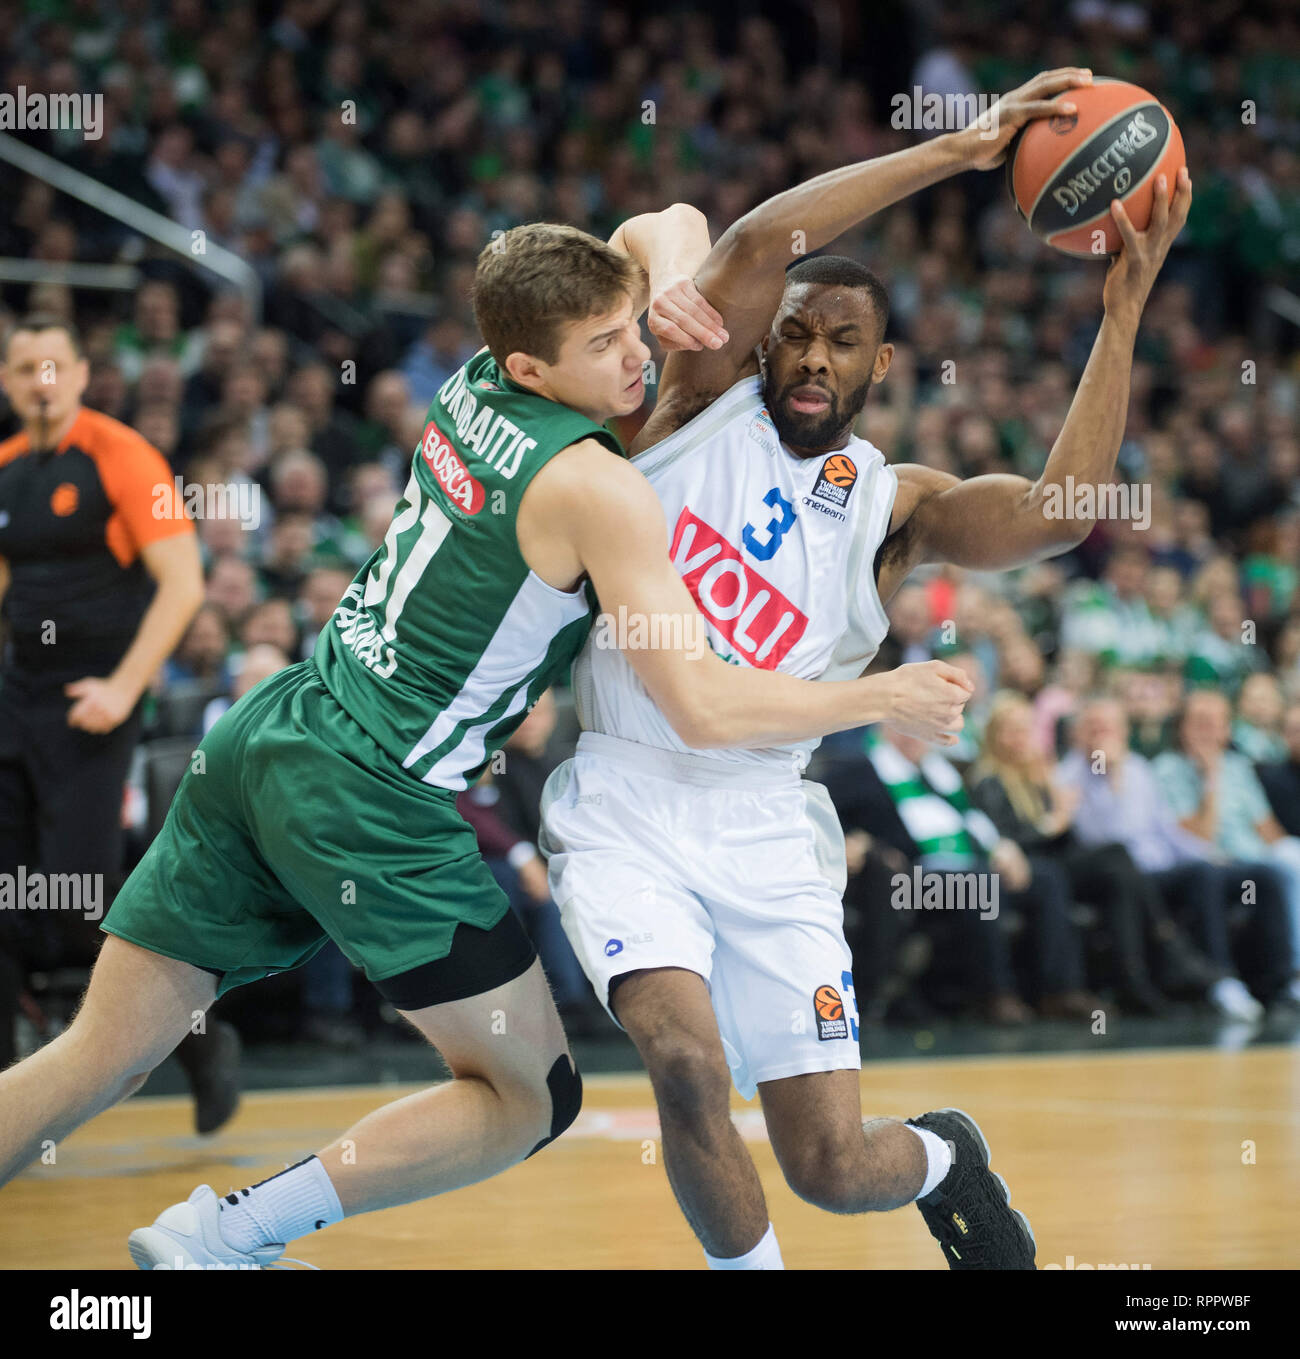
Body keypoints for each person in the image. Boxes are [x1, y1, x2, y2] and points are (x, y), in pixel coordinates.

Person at [0, 210, 953, 1270]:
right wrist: (881, 696)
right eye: (608, 346)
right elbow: (708, 709)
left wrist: (675, 279)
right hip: (373, 794)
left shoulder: (477, 384)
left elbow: (664, 222)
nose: (642, 355)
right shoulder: (597, 487)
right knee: (529, 1094)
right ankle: (229, 1234)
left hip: (276, 726)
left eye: (636, 327)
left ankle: (213, 1239)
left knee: (99, 1053)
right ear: (533, 364)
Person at [543, 67, 1192, 1269]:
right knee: (686, 1068)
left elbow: (1061, 511)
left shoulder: (892, 507)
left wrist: (1119, 314)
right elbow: (752, 239)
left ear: (880, 367)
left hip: (767, 823)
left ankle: (948, 1154)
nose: (809, 357)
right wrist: (960, 151)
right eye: (794, 332)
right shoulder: (695, 396)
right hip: (626, 795)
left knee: (834, 1170)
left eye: (842, 343)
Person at [0, 314, 239, 1132]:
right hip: (17, 698)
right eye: (24, 366)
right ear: (7, 379)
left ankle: (204, 1041)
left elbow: (182, 585)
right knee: (3, 902)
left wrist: (123, 687)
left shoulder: (122, 454)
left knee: (78, 900)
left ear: (77, 372)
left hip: (94, 705)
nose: (40, 380)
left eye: (53, 365)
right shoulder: (3, 469)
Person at [1059, 697, 1291, 1019]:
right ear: (1079, 733)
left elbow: (1166, 830)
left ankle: (1280, 984)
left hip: (1167, 867)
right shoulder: (1069, 774)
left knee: (1263, 875)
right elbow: (1103, 840)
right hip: (1131, 879)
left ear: (1124, 732)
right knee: (1202, 876)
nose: (1102, 735)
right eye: (1093, 727)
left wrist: (1209, 853)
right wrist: (1111, 777)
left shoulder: (1139, 768)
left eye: (1108, 727)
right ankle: (1220, 981)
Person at [969, 692, 1162, 1015]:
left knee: (1117, 860)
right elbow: (1003, 841)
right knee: (1094, 865)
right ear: (994, 736)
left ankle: (1138, 967)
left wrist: (1059, 816)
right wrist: (1053, 822)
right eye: (1010, 730)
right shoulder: (987, 780)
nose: (1019, 738)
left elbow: (1065, 837)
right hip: (1018, 870)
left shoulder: (1038, 775)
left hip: (1050, 864)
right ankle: (1069, 986)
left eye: (1024, 729)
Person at [1152, 690, 1300, 1002]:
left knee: (1289, 861)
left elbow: (1268, 829)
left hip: (1253, 857)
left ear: (1226, 730)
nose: (1207, 732)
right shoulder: (1166, 769)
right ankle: (1226, 981)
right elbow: (1198, 839)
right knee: (1264, 875)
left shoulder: (1238, 766)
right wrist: (1211, 780)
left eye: (1214, 723)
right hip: (1211, 862)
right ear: (1182, 729)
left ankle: (1284, 980)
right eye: (1199, 723)